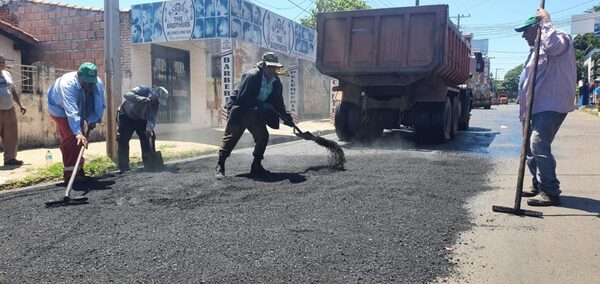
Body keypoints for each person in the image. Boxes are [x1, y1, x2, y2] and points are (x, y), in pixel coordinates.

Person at [515, 9, 576, 206]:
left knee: (538, 143)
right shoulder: (534, 50)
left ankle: (551, 191)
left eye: (526, 30)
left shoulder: (559, 38)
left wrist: (546, 21)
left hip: (551, 104)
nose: (524, 35)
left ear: (537, 27)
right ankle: (538, 185)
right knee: (529, 149)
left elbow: (554, 48)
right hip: (533, 107)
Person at [214, 52, 294, 179]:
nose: (271, 70)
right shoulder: (252, 76)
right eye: (269, 66)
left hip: (256, 112)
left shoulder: (276, 82)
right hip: (241, 109)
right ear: (262, 65)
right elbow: (243, 98)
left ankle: (256, 165)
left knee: (263, 136)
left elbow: (278, 102)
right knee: (231, 136)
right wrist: (262, 105)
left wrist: (286, 117)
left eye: (274, 67)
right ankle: (220, 165)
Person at [47, 62, 106, 183]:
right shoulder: (68, 85)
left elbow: (99, 103)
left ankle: (78, 170)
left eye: (91, 83)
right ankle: (69, 173)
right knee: (71, 137)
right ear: (79, 76)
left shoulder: (97, 83)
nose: (89, 86)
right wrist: (78, 132)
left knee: (80, 139)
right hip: (60, 108)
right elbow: (71, 110)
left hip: (80, 107)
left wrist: (93, 120)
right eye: (86, 83)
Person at [116, 85, 169, 173]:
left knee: (148, 137)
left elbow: (152, 118)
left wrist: (149, 128)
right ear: (154, 94)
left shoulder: (156, 105)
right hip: (126, 115)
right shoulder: (142, 90)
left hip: (141, 119)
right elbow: (127, 95)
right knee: (123, 139)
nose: (157, 103)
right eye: (156, 100)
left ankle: (149, 164)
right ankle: (124, 167)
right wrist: (140, 98)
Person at [0, 54, 26, 166]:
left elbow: (13, 90)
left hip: (9, 109)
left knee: (11, 136)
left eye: (3, 61)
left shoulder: (7, 74)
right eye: (1, 62)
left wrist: (20, 104)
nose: (3, 64)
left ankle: (10, 159)